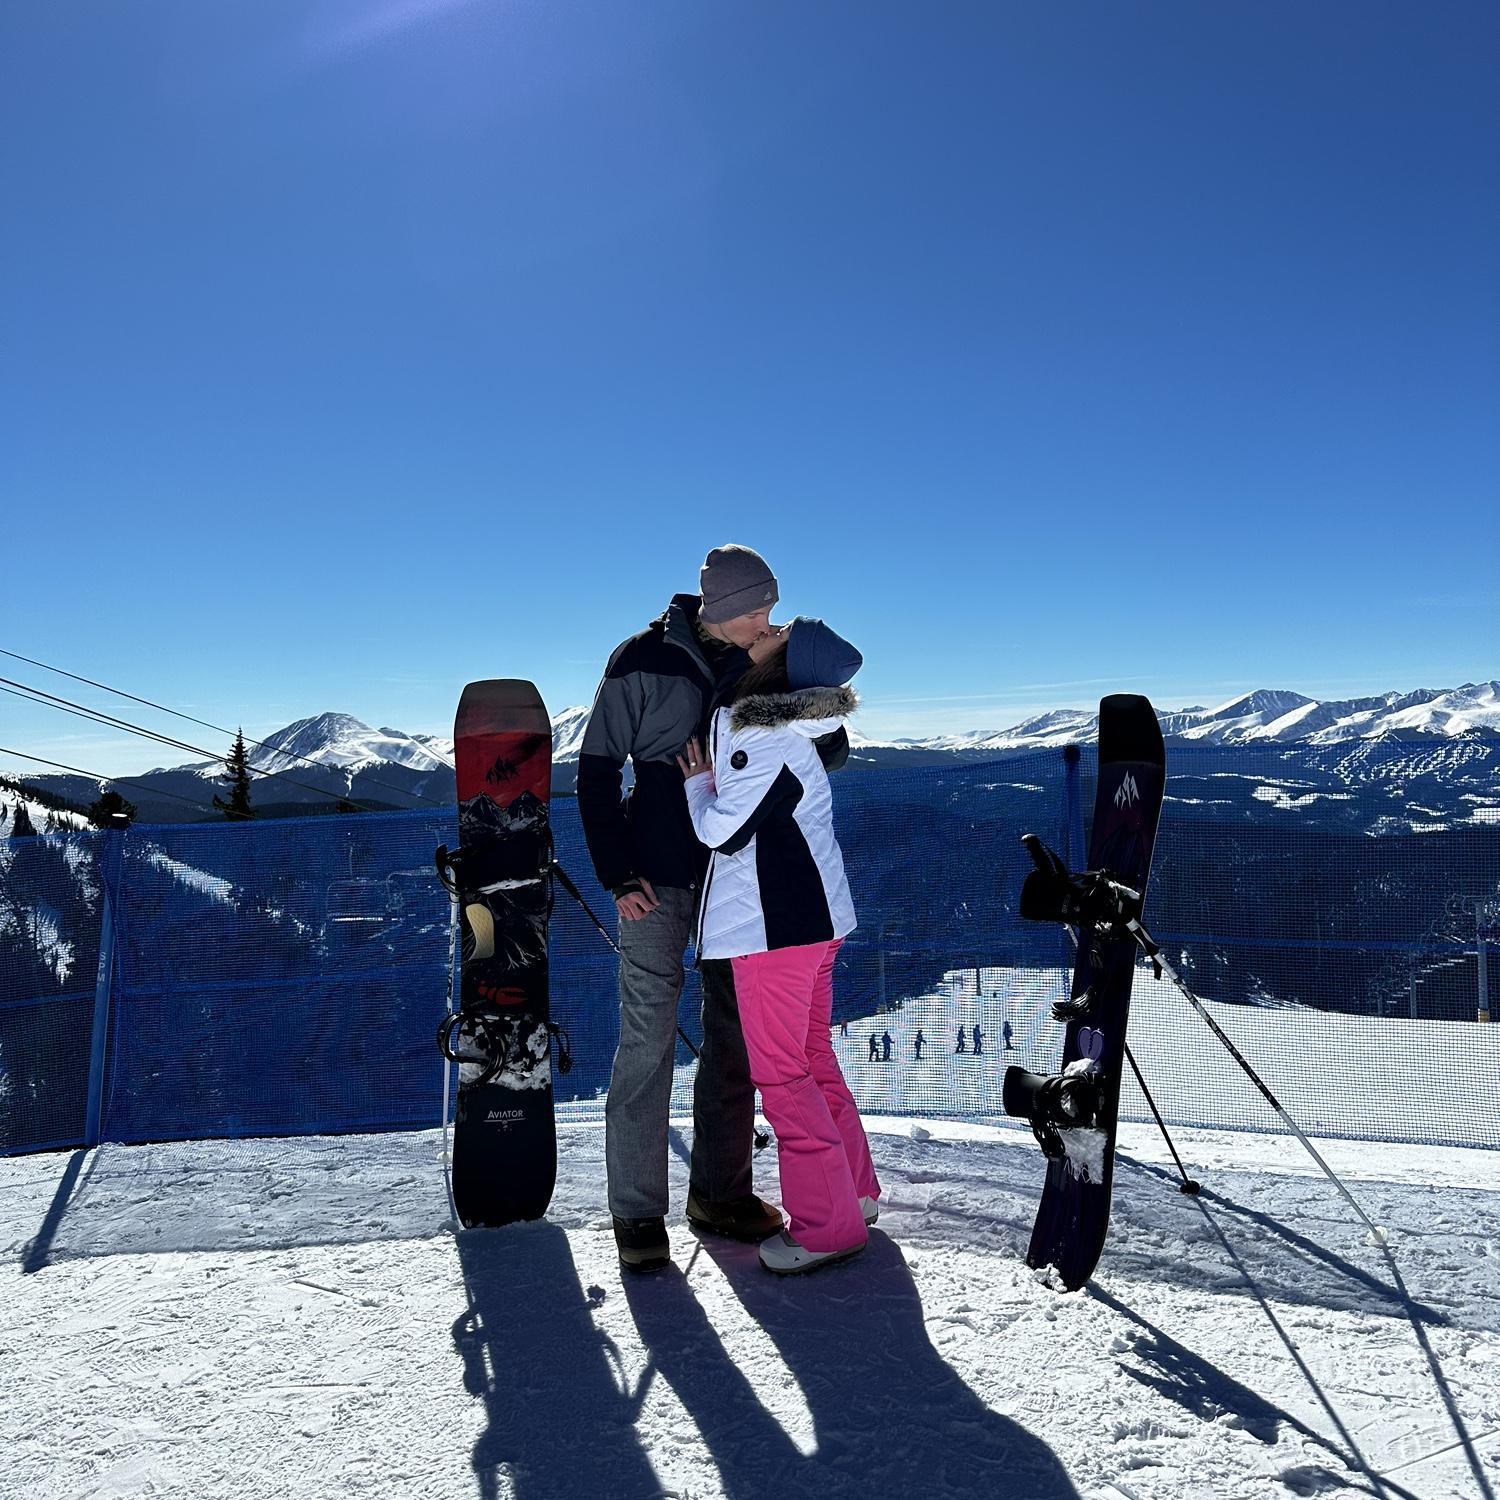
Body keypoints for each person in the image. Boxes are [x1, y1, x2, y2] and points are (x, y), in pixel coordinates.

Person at [579, 546, 847, 1274]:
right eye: (758, 609)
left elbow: (826, 751)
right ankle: (637, 1213)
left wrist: (816, 713)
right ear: (722, 607)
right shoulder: (641, 660)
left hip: (738, 885)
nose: (769, 622)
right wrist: (615, 873)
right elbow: (596, 770)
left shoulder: (756, 662)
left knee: (736, 1044)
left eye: (770, 608)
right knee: (647, 1041)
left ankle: (720, 1195)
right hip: (655, 879)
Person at [679, 617, 879, 1274]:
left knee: (784, 1076)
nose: (773, 625)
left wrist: (697, 784)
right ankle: (853, 1193)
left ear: (788, 660)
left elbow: (723, 831)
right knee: (812, 1058)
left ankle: (826, 1227)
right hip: (816, 920)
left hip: (772, 928)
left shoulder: (761, 732)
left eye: (785, 628)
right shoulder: (800, 727)